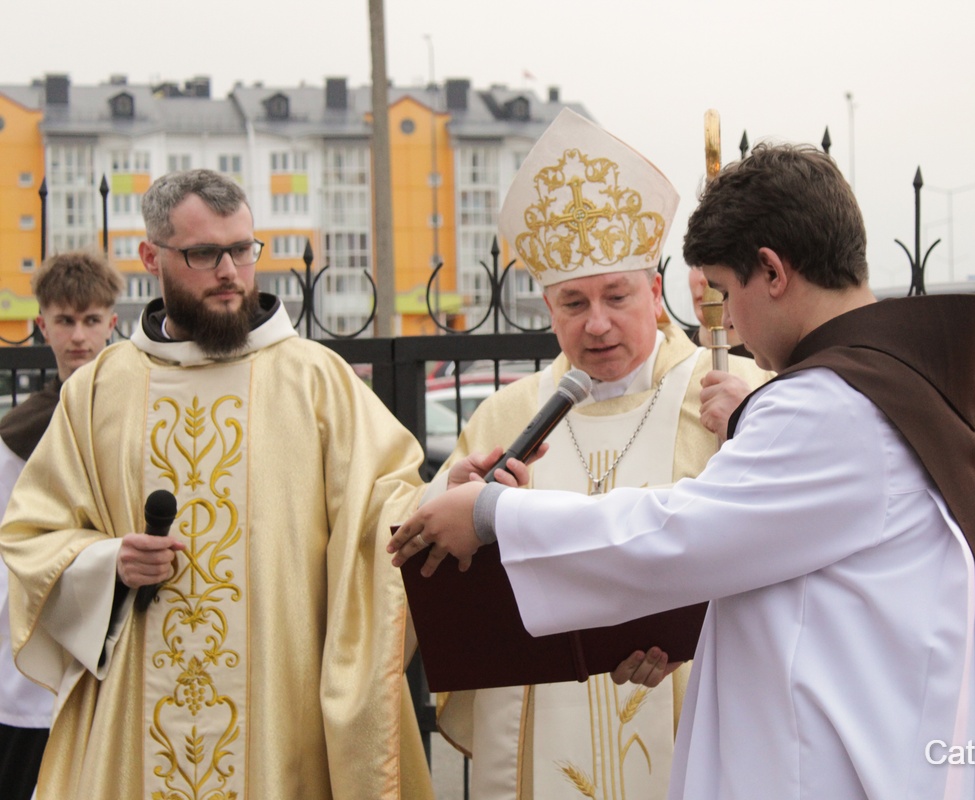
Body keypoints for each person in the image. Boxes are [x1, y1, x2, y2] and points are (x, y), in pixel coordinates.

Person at [393, 143, 975, 799]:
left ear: (773, 272)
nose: (730, 330)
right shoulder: (902, 381)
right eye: (574, 303)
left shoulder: (826, 403)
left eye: (724, 293)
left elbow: (682, 533)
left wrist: (492, 513)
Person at [0, 169, 434, 799]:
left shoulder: (317, 380)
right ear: (151, 257)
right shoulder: (99, 391)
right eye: (204, 253)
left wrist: (450, 497)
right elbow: (32, 534)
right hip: (135, 717)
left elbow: (385, 511)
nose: (230, 271)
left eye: (242, 250)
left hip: (280, 718)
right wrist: (107, 563)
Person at [423, 109, 770, 799]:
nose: (598, 323)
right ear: (548, 308)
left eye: (616, 296)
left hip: (694, 715)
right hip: (540, 731)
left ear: (655, 293)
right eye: (573, 303)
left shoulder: (733, 395)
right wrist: (447, 500)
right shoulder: (504, 418)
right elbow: (426, 561)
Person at [0, 251, 123, 800]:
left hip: (116, 642)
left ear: (112, 323)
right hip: (28, 657)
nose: (78, 336)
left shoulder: (138, 418)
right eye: (65, 320)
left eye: (91, 320)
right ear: (42, 325)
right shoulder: (17, 436)